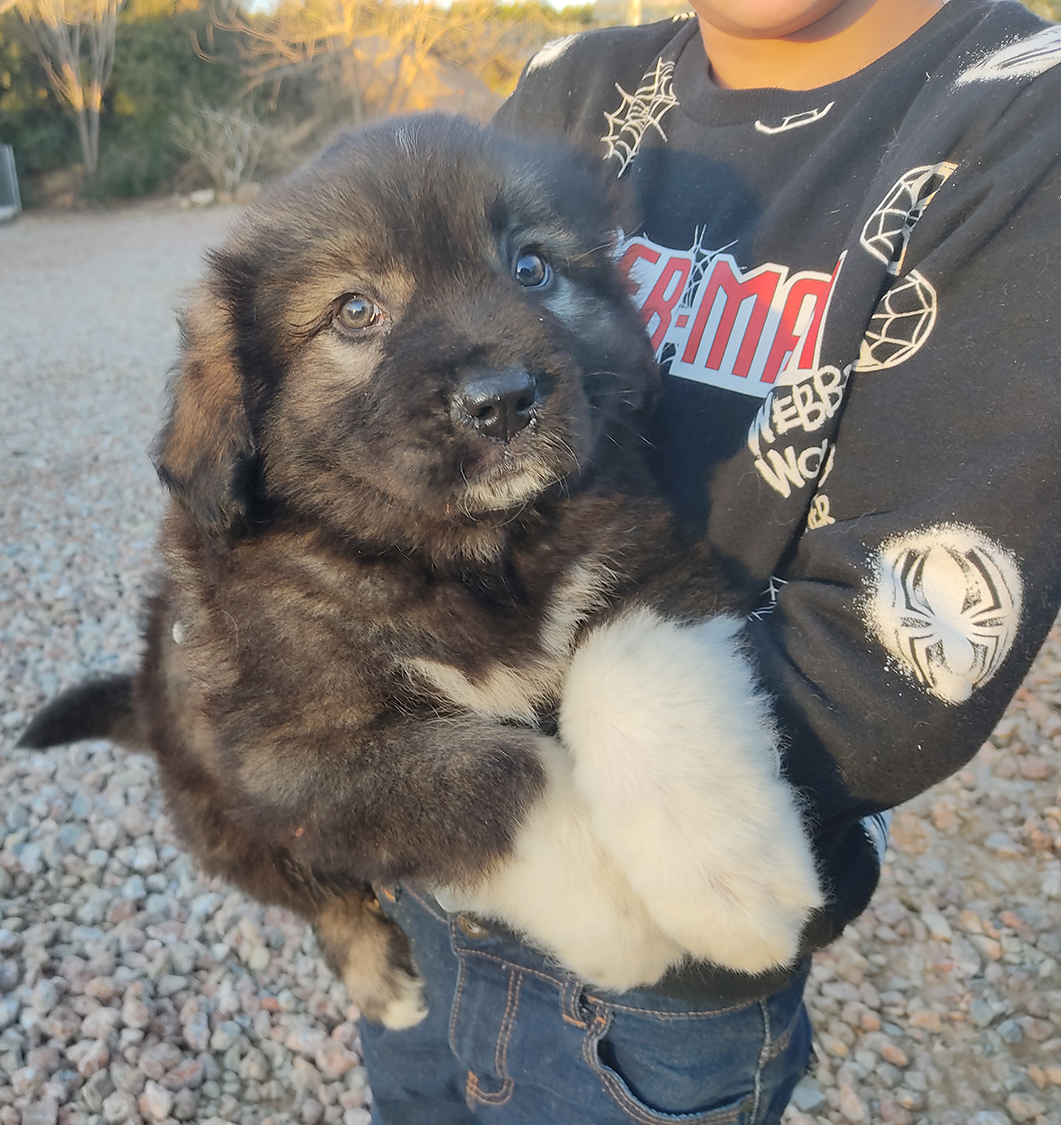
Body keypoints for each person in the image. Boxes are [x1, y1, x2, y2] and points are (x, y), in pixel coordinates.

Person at [360, 1, 1061, 1121]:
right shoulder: (571, 86)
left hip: (643, 957)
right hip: (409, 885)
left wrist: (381, 754)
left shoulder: (1023, 109)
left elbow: (898, 651)